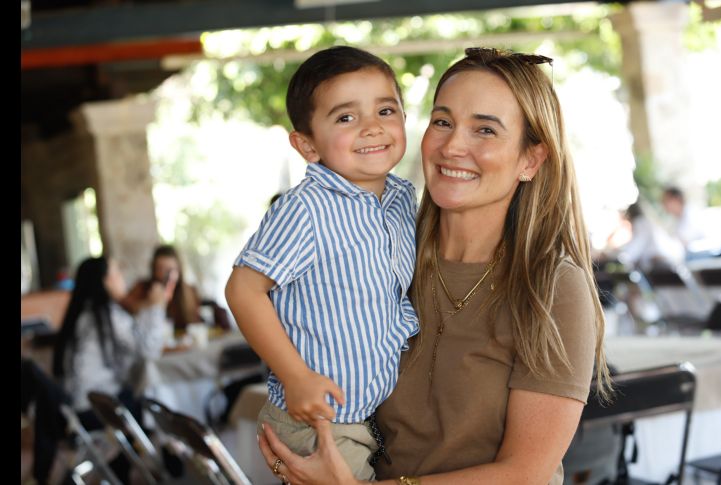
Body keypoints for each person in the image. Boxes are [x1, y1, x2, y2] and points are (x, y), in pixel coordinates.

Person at [259, 47, 612, 485]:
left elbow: (524, 473)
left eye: (485, 129)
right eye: (442, 122)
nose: (452, 145)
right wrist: (293, 456)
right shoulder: (385, 251)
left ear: (530, 160)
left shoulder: (552, 285)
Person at [225, 45, 418, 481]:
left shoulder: (403, 198)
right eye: (346, 117)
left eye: (386, 110)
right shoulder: (306, 209)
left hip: (372, 413)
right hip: (317, 416)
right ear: (307, 144)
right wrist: (295, 377)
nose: (372, 127)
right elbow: (242, 289)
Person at [26, 256, 170, 484]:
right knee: (153, 404)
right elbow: (149, 349)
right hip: (95, 410)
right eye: (117, 272)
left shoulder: (84, 314)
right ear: (105, 281)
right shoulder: (105, 315)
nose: (122, 278)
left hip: (76, 407)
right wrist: (156, 308)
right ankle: (169, 467)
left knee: (137, 398)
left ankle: (123, 471)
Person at [122, 244, 205, 331]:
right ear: (153, 268)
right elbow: (126, 314)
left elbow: (195, 323)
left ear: (179, 270)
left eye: (170, 270)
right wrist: (150, 303)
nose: (165, 275)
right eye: (160, 269)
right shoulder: (142, 288)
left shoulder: (190, 291)